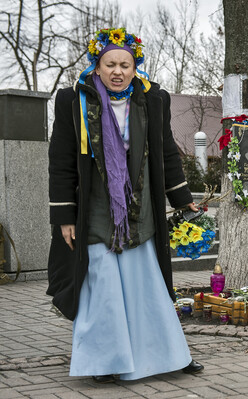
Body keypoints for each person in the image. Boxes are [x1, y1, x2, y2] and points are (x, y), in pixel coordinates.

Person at [47, 28, 204, 383]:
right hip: (95, 209)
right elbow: (61, 161)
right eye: (110, 64)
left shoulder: (153, 100)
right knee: (103, 288)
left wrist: (184, 199)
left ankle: (169, 356)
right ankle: (106, 362)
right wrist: (64, 217)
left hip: (140, 208)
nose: (118, 71)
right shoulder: (74, 100)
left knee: (146, 285)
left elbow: (166, 154)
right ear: (96, 65)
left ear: (136, 68)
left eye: (125, 65)